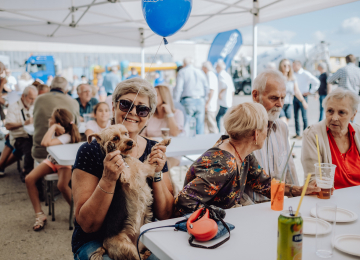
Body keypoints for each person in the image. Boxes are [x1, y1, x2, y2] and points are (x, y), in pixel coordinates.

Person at [71, 78, 174, 260]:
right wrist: (108, 178)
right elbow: (88, 225)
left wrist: (156, 172)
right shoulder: (91, 150)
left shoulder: (154, 150)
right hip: (98, 239)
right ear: (114, 107)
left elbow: (166, 215)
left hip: (144, 235)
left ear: (148, 116)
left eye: (142, 109)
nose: (133, 113)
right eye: (126, 105)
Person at [174, 103, 319, 216]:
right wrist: (217, 215)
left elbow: (264, 184)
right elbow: (184, 202)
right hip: (204, 234)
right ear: (256, 134)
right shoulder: (225, 164)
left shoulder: (242, 153)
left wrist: (302, 190)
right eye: (265, 128)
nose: (267, 133)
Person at [247, 69, 299, 204]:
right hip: (251, 211)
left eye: (283, 98)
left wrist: (299, 200)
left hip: (279, 206)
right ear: (255, 95)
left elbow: (289, 171)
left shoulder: (282, 128)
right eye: (274, 98)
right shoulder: (241, 130)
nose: (280, 104)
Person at [25, 108, 81, 231]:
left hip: (63, 164)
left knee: (62, 185)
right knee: (29, 179)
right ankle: (39, 214)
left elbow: (45, 143)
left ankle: (77, 212)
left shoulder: (67, 136)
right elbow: (45, 142)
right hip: (52, 161)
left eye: (52, 119)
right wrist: (53, 128)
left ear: (59, 124)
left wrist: (53, 126)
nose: (49, 120)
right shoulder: (55, 132)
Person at [302, 88, 360, 189]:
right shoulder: (312, 134)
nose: (334, 118)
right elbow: (312, 179)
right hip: (330, 200)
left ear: (353, 114)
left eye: (341, 112)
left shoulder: (358, 132)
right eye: (330, 111)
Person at [32, 76, 80, 162]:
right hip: (63, 154)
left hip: (39, 152)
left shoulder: (38, 100)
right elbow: (77, 126)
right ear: (66, 90)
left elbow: (35, 121)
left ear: (50, 87)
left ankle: (25, 169)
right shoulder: (73, 102)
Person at [0, 86, 38, 180]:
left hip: (32, 135)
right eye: (31, 98)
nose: (33, 101)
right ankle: (27, 173)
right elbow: (8, 126)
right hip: (19, 137)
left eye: (34, 98)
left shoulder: (34, 106)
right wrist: (23, 123)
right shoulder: (13, 107)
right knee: (29, 149)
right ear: (23, 96)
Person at [142, 85, 184, 169]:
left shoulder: (177, 113)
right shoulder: (149, 115)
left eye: (155, 95)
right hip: (152, 152)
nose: (152, 97)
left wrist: (169, 113)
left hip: (173, 153)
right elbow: (141, 135)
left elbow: (175, 133)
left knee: (163, 165)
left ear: (164, 96)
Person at [173, 57, 209, 135]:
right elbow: (206, 87)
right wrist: (205, 99)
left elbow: (179, 89)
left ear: (184, 64)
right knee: (200, 125)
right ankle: (201, 143)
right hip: (200, 99)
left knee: (186, 124)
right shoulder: (200, 71)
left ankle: (188, 144)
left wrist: (175, 102)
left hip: (188, 100)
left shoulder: (182, 72)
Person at [292, 60, 320, 139]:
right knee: (296, 116)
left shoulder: (305, 73)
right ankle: (297, 133)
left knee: (304, 116)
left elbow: (317, 82)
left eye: (294, 65)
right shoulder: (293, 74)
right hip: (295, 96)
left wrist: (310, 92)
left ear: (299, 65)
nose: (293, 67)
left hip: (303, 96)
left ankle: (305, 134)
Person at [278, 59, 308, 124]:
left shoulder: (292, 78)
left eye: (288, 65)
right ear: (281, 66)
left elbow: (296, 91)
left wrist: (303, 101)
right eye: (284, 65)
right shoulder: (278, 77)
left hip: (289, 104)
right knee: (284, 123)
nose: (287, 67)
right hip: (279, 104)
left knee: (285, 126)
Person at [216, 59, 235, 132]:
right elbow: (232, 89)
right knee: (226, 118)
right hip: (228, 101)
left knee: (219, 118)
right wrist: (232, 100)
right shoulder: (227, 75)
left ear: (219, 67)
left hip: (224, 101)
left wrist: (220, 93)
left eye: (217, 67)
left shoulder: (221, 74)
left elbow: (224, 85)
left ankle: (220, 132)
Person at [202, 61, 219, 133]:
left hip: (210, 105)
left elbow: (211, 90)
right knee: (208, 125)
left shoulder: (210, 75)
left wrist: (207, 103)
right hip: (210, 104)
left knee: (212, 125)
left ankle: (217, 142)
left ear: (205, 68)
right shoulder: (211, 75)